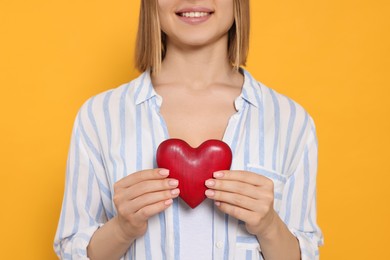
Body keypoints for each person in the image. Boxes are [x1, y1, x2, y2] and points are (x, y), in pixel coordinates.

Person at [54, 0, 323, 259]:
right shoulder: (100, 116)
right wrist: (123, 228)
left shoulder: (290, 121)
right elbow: (72, 249)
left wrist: (268, 226)